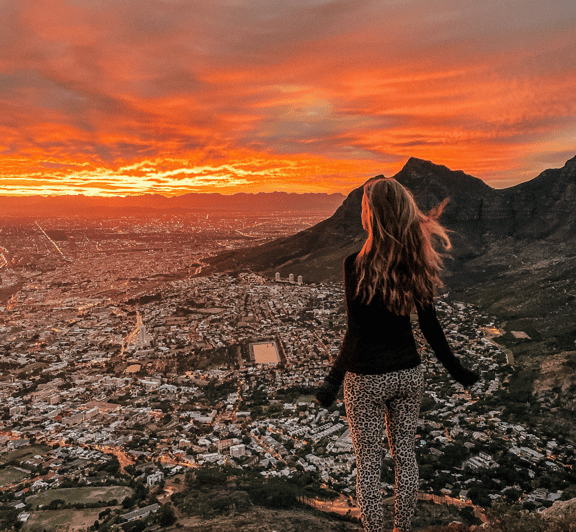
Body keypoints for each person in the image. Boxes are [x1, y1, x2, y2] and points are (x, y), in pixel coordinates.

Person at [315, 178, 479, 532]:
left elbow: (355, 331)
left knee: (369, 464)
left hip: (366, 379)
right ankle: (401, 529)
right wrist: (458, 371)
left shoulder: (354, 264)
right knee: (406, 457)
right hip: (408, 374)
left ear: (370, 214)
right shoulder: (415, 261)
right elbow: (430, 326)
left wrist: (331, 382)